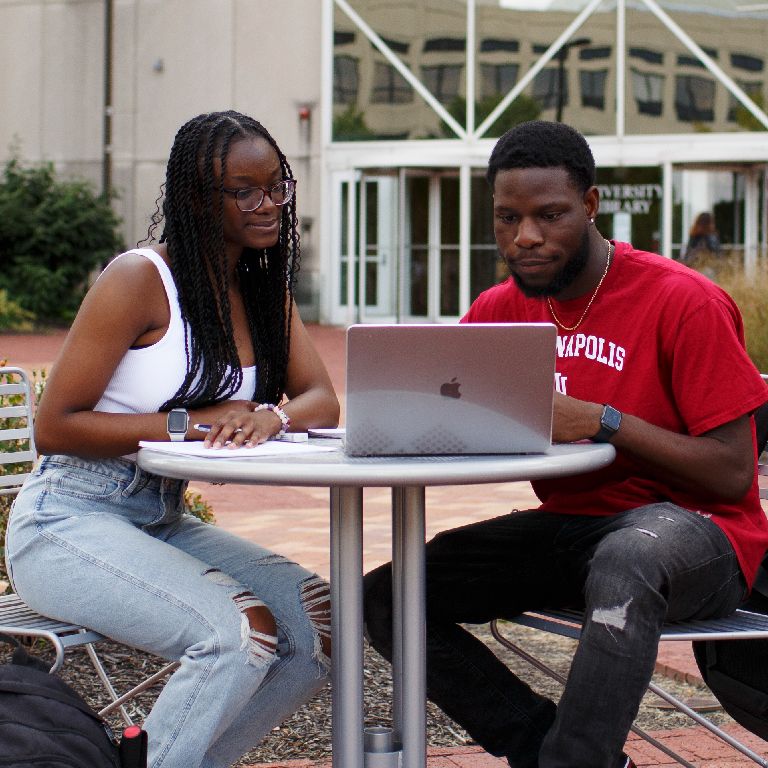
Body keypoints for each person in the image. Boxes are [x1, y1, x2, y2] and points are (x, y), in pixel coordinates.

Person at [364, 121, 768, 768]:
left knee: (626, 561)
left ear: (589, 205)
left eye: (549, 215)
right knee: (389, 595)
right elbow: (450, 416)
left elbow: (732, 474)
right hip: (573, 529)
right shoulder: (500, 311)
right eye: (506, 218)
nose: (525, 237)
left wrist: (604, 421)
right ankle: (554, 753)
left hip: (699, 533)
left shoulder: (683, 301)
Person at [6, 111, 340, 768]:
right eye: (245, 190)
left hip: (158, 516)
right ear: (196, 198)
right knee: (236, 632)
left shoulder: (260, 288)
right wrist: (192, 422)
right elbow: (54, 425)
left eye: (278, 185)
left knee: (317, 623)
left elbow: (322, 399)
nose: (269, 203)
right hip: (65, 520)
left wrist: (272, 416)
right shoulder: (139, 280)